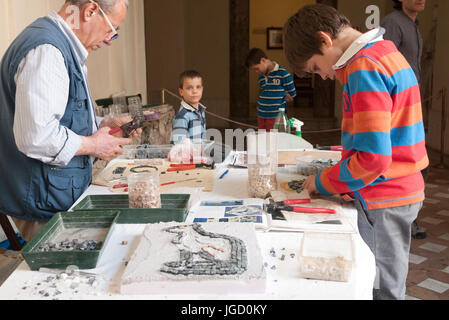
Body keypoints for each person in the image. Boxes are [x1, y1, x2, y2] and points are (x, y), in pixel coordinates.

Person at [284, 4, 429, 300]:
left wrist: (321, 181)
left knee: (379, 288)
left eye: (316, 67)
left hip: (385, 195)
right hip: (399, 189)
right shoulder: (384, 50)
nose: (323, 76)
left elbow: (373, 159)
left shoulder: (364, 67)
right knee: (387, 281)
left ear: (325, 40)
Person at [0, 0, 140, 243]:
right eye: (111, 30)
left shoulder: (59, 45)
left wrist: (101, 125)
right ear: (90, 11)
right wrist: (95, 145)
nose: (109, 40)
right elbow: (37, 136)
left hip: (54, 194)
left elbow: (59, 116)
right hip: (43, 201)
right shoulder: (47, 51)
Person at [381, 0, 427, 239]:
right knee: (401, 158)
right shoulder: (393, 22)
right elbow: (385, 64)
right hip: (399, 104)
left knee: (415, 159)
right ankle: (400, 218)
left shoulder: (414, 24)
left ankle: (409, 218)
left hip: (412, 101)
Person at [245, 48, 297, 131]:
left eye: (256, 68)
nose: (256, 72)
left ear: (263, 60)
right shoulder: (261, 77)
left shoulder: (283, 74)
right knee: (263, 138)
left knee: (273, 140)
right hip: (261, 114)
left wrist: (286, 96)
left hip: (276, 116)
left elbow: (292, 94)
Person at [171, 70, 207, 143]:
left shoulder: (201, 111)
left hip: (199, 152)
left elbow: (202, 137)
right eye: (189, 88)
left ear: (202, 89)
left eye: (198, 87)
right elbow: (179, 144)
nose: (195, 91)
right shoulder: (182, 116)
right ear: (181, 92)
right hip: (188, 153)